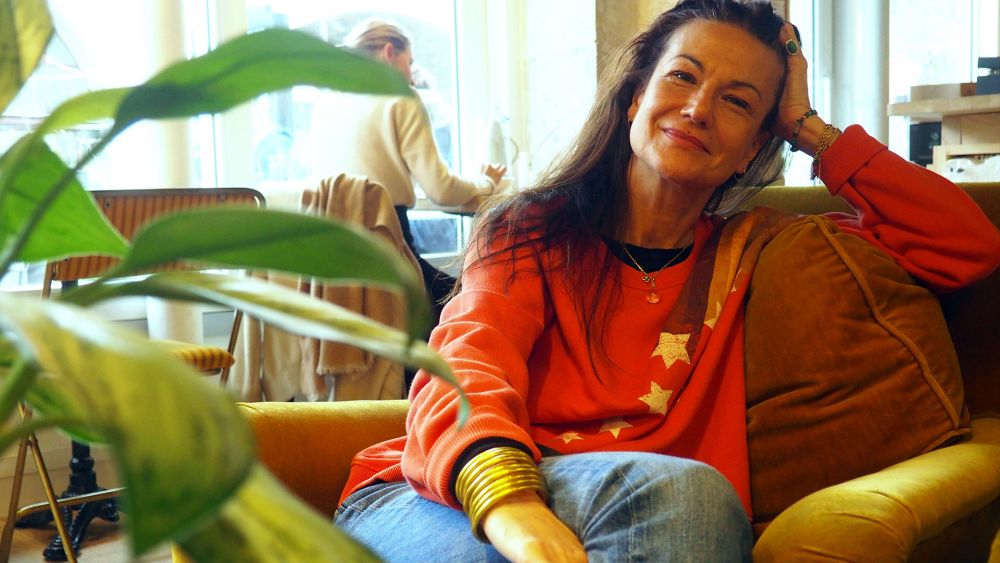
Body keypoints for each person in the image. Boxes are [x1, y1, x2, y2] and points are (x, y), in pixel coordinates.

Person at [333, 1, 1000, 561]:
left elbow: (966, 245)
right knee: (684, 494)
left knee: (687, 496)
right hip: (442, 500)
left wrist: (808, 128)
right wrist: (513, 506)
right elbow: (465, 365)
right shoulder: (530, 231)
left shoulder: (755, 250)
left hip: (659, 522)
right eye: (682, 76)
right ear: (635, 99)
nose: (699, 108)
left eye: (737, 102)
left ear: (751, 150)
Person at [312, 20, 506, 330]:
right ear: (390, 52)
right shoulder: (400, 96)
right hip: (389, 245)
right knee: (473, 303)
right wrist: (487, 182)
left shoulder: (327, 102)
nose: (412, 75)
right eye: (410, 63)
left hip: (333, 258)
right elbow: (441, 190)